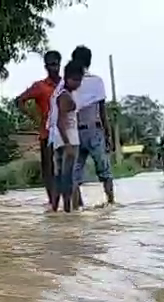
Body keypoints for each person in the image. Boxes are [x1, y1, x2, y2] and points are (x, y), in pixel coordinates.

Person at [65, 46, 114, 206]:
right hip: (94, 130)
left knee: (74, 174)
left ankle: (76, 207)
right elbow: (102, 111)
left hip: (75, 131)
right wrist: (108, 135)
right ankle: (111, 203)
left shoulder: (67, 83)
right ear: (89, 61)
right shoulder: (96, 81)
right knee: (104, 170)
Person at [16, 50, 61, 210]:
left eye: (55, 65)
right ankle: (53, 203)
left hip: (66, 134)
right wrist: (35, 117)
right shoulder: (40, 87)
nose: (53, 69)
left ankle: (74, 203)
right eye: (49, 66)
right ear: (45, 67)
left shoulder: (66, 85)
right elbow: (19, 101)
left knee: (68, 169)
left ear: (59, 64)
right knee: (48, 170)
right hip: (46, 134)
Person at [51, 62, 83, 213]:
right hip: (68, 140)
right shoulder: (65, 96)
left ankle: (60, 209)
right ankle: (69, 210)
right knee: (69, 178)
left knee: (61, 177)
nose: (78, 83)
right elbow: (60, 122)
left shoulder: (62, 94)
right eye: (75, 80)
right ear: (67, 78)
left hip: (60, 141)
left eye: (80, 80)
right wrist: (68, 144)